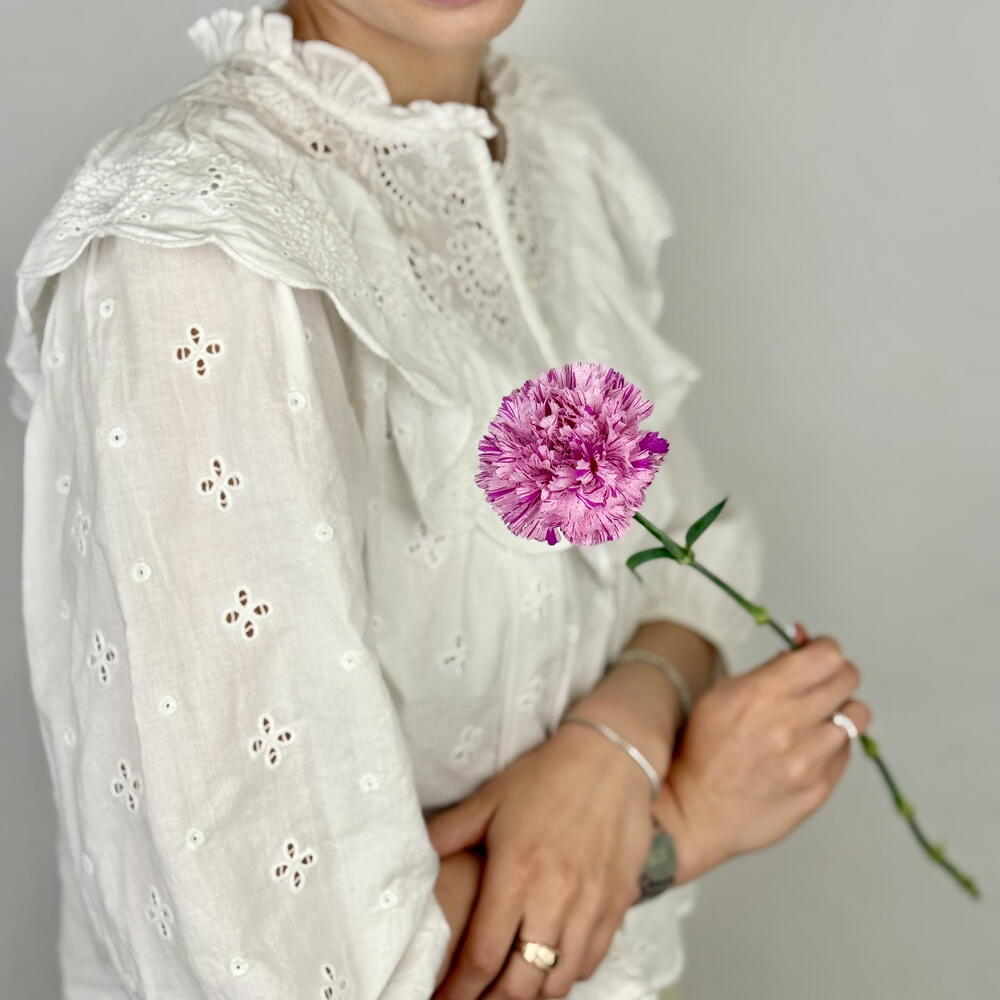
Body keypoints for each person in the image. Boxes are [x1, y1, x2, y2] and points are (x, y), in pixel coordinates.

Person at [4, 2, 871, 999]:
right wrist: (680, 822)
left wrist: (614, 738)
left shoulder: (552, 145)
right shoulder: (190, 247)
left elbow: (688, 565)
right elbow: (303, 970)